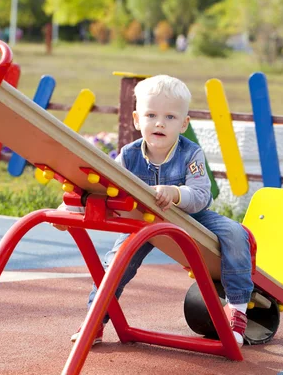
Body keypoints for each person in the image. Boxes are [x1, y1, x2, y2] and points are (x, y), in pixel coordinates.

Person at [55, 75, 254, 346]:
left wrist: (175, 193)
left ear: (184, 124)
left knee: (235, 232)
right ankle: (95, 318)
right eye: (151, 115)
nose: (159, 123)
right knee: (116, 262)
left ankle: (237, 311)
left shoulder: (190, 153)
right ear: (137, 120)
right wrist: (69, 207)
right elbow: (107, 189)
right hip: (141, 221)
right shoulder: (128, 154)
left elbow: (201, 196)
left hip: (191, 217)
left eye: (170, 117)